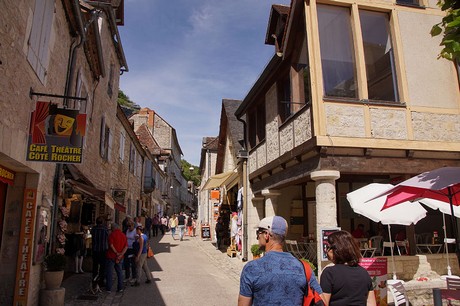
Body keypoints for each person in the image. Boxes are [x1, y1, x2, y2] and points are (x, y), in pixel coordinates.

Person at [238, 216, 323, 306]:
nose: (257, 237)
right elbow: (322, 299)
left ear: (266, 235)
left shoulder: (252, 268)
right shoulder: (304, 268)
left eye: (258, 233)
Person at [320, 230, 376, 306]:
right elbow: (371, 303)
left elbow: (323, 303)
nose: (326, 250)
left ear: (335, 250)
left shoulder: (329, 273)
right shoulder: (364, 272)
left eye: (328, 247)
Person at [106, 223, 127, 293]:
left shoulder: (111, 235)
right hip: (120, 257)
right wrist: (121, 254)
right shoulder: (123, 235)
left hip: (111, 256)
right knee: (119, 272)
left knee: (110, 272)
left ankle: (109, 288)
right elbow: (126, 247)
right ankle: (120, 288)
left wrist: (116, 253)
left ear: (113, 228)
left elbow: (111, 245)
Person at [91, 216, 108, 288]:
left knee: (95, 266)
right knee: (102, 266)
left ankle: (94, 281)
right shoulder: (105, 229)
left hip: (95, 249)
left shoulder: (93, 229)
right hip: (103, 250)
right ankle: (101, 281)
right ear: (102, 222)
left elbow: (91, 235)